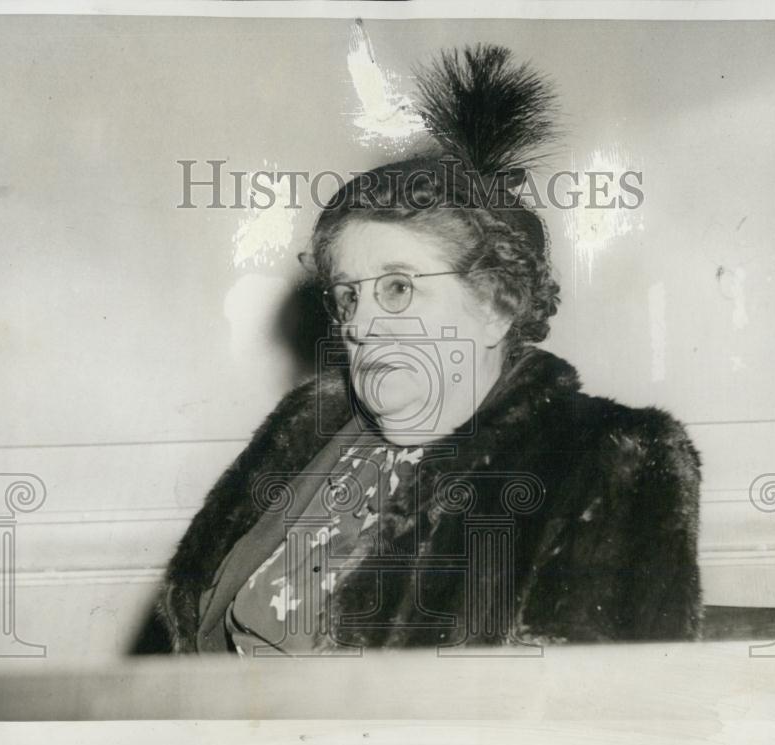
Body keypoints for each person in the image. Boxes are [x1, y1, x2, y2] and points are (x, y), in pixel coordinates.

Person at [160, 44, 702, 655]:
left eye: (397, 288)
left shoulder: (609, 456)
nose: (360, 323)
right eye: (347, 297)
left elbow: (591, 716)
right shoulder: (308, 430)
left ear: (497, 303)